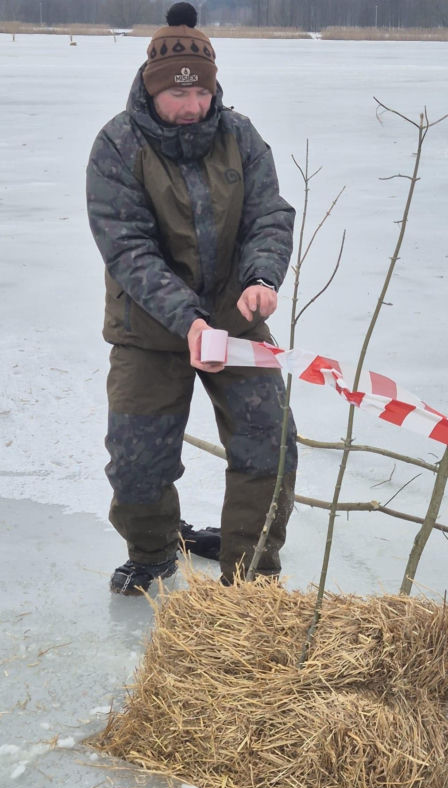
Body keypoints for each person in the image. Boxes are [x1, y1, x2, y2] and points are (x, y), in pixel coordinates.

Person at [86, 1, 297, 595]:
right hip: (149, 329)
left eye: (201, 94)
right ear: (153, 90)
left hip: (236, 322)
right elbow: (128, 250)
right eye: (178, 96)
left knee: (270, 446)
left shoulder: (240, 136)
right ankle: (154, 553)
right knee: (137, 462)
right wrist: (188, 321)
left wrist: (262, 279)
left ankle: (250, 572)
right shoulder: (117, 146)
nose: (192, 107)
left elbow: (268, 215)